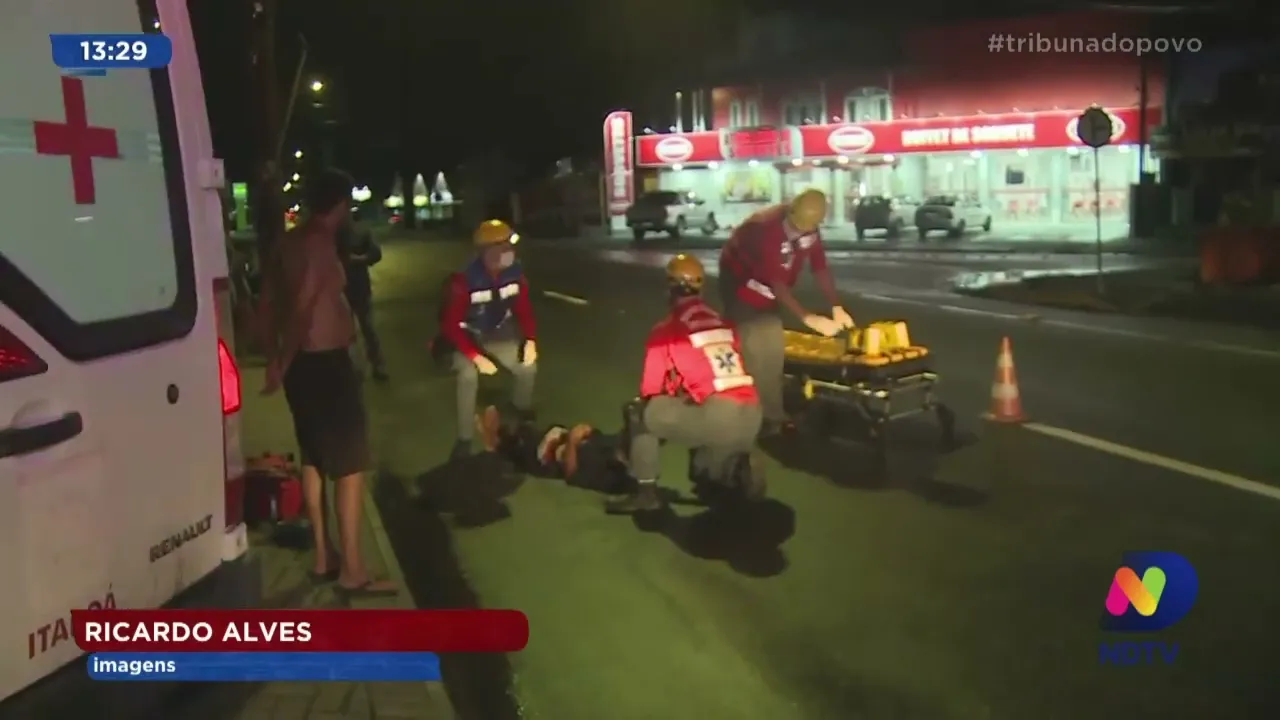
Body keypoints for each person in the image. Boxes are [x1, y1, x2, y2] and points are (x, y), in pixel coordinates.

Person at [260, 167, 396, 598]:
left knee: (314, 458)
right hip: (324, 364)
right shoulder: (319, 245)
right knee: (350, 466)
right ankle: (353, 569)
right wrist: (281, 361)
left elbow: (268, 303)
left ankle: (324, 556)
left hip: (305, 367)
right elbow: (302, 308)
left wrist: (275, 357)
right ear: (339, 205)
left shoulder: (289, 241)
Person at [604, 254, 765, 514]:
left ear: (670, 288)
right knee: (697, 412)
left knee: (640, 414)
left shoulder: (667, 329)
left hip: (717, 417)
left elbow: (650, 391)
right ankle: (734, 468)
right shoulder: (722, 322)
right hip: (752, 413)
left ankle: (646, 493)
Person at [718, 189, 856, 435]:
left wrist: (836, 306)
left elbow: (819, 266)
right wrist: (807, 317)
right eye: (798, 227)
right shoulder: (766, 230)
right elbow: (776, 282)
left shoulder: (809, 227)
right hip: (740, 281)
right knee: (754, 348)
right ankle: (752, 418)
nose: (802, 231)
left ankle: (772, 414)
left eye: (808, 228)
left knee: (772, 351)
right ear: (791, 212)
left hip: (767, 287)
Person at [439, 219, 538, 460]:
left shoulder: (515, 275)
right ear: (488, 253)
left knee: (528, 366)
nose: (509, 253)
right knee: (468, 375)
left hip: (497, 334)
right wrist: (475, 357)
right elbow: (450, 325)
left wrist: (531, 340)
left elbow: (524, 310)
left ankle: (519, 413)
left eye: (510, 247)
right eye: (503, 248)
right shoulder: (464, 281)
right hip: (466, 337)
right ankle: (464, 438)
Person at [474, 406, 629, 494]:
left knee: (522, 447)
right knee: (525, 431)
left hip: (547, 458)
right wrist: (585, 431)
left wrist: (572, 442)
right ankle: (501, 433)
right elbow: (597, 435)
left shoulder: (611, 475)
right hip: (557, 438)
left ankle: (494, 442)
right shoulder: (615, 443)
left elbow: (572, 476)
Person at [338, 219, 388, 381]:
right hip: (341, 288)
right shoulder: (331, 233)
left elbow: (376, 253)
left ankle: (375, 365)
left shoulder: (358, 232)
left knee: (367, 328)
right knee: (349, 331)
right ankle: (355, 368)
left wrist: (358, 258)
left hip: (357, 286)